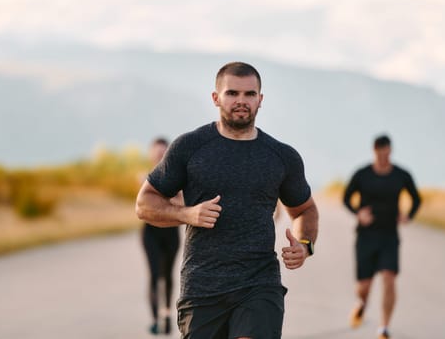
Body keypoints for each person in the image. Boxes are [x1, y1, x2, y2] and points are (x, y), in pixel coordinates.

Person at [135, 61, 319, 339]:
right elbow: (144, 204)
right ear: (216, 98)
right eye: (232, 93)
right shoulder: (189, 147)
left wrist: (305, 245)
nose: (241, 101)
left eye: (249, 94)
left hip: (259, 284)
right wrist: (187, 214)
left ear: (260, 100)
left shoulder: (282, 156)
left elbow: (304, 209)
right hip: (202, 287)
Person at [343, 135, 421, 339]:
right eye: (380, 153)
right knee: (364, 286)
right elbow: (346, 197)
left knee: (389, 278)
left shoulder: (401, 175)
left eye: (386, 153)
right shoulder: (362, 174)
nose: (383, 157)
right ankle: (361, 303)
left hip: (389, 236)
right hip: (366, 236)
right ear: (374, 151)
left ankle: (383, 328)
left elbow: (416, 198)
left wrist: (408, 215)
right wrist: (358, 213)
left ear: (390, 151)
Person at [141, 138, 181, 335]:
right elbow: (142, 206)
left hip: (171, 232)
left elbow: (181, 203)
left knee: (168, 274)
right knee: (155, 274)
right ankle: (156, 319)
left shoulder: (178, 179)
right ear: (150, 154)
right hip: (151, 233)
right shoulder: (144, 179)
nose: (158, 156)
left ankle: (166, 316)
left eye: (162, 153)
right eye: (156, 152)